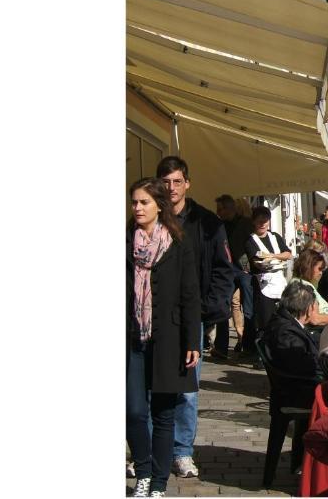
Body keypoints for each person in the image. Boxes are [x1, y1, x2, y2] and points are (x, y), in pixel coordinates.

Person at [156, 157, 234, 480]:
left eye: (177, 181)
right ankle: (153, 449)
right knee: (153, 387)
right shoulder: (148, 219)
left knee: (187, 388)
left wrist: (207, 309)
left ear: (187, 183)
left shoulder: (207, 223)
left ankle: (182, 451)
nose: (171, 188)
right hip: (155, 317)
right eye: (166, 182)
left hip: (191, 317)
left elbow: (223, 269)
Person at [127, 178, 201, 497]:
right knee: (132, 410)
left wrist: (192, 342)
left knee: (163, 413)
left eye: (144, 202)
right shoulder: (123, 240)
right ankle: (143, 471)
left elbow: (190, 294)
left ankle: (158, 482)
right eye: (134, 202)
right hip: (132, 338)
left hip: (169, 339)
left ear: (159, 205)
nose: (138, 208)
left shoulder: (178, 242)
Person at [262, 280, 321, 406]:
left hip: (292, 387)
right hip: (298, 392)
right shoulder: (286, 333)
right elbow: (304, 365)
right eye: (317, 307)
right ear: (309, 309)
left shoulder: (282, 322)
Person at [215, 194, 254, 357]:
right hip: (227, 271)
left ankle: (248, 345)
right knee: (222, 306)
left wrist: (247, 266)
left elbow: (250, 244)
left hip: (243, 270)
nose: (218, 212)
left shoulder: (244, 223)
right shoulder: (219, 225)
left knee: (248, 308)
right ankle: (221, 347)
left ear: (229, 208)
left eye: (221, 209)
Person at [246, 206, 293, 337]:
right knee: (265, 320)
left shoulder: (275, 237)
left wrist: (272, 256)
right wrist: (277, 257)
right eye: (259, 221)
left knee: (284, 317)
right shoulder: (251, 240)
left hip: (279, 281)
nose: (262, 224)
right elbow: (257, 261)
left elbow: (288, 254)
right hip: (263, 283)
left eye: (265, 221)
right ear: (254, 222)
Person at [292, 249, 328, 325]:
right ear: (309, 267)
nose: (321, 273)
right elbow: (314, 319)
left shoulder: (303, 284)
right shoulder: (302, 288)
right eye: (319, 269)